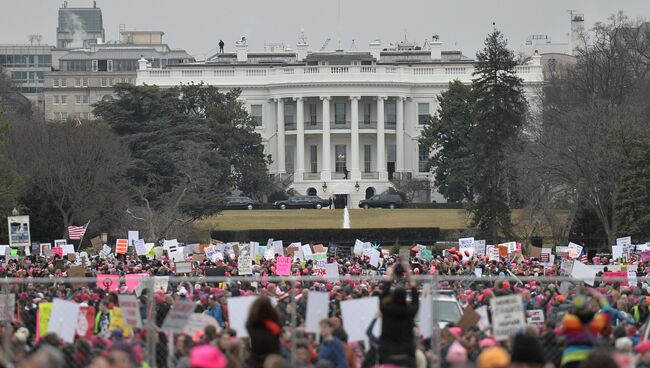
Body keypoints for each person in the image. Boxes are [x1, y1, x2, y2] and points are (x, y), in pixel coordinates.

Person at [378, 262, 419, 367]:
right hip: (407, 355)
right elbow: (415, 298)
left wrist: (389, 276)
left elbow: (383, 296)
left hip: (387, 355)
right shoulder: (409, 311)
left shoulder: (386, 310)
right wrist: (409, 272)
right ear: (405, 298)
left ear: (392, 298)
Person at [245, 297, 283, 368]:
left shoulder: (251, 325)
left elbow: (250, 321)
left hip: (255, 358)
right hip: (274, 358)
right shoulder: (276, 324)